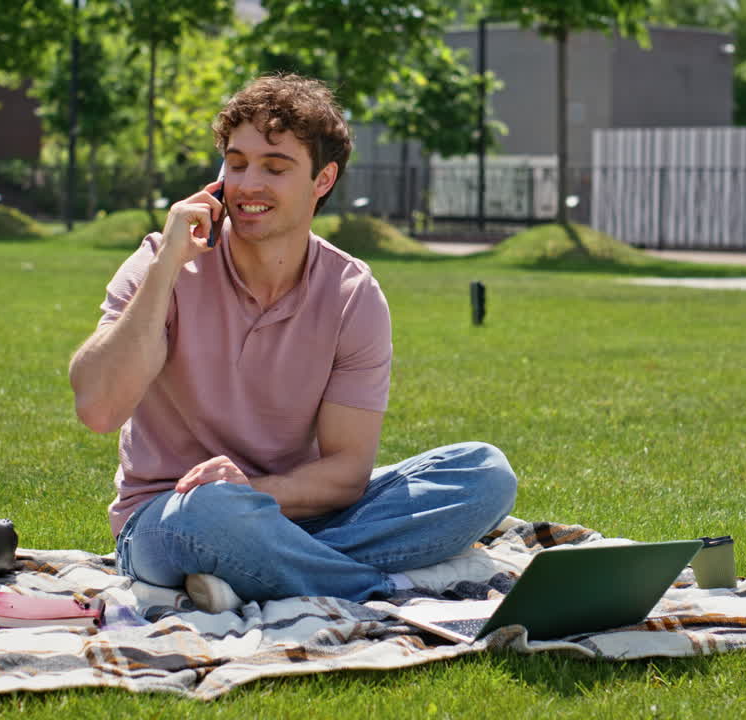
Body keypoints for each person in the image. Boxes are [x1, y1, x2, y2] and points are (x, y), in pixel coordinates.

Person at [69, 74, 517, 613]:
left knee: (482, 473)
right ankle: (378, 589)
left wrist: (256, 492)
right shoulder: (161, 262)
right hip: (171, 516)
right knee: (211, 514)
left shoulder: (352, 293)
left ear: (322, 179)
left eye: (274, 168)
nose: (247, 185)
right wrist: (167, 267)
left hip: (289, 508)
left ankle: (261, 571)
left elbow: (347, 473)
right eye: (236, 164)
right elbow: (97, 409)